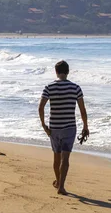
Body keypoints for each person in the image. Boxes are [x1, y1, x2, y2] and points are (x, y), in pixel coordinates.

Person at [38, 60, 89, 195]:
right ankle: (61, 186)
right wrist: (85, 126)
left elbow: (41, 107)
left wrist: (44, 125)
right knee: (65, 158)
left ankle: (58, 181)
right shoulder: (75, 88)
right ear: (68, 72)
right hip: (69, 127)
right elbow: (82, 110)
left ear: (56, 72)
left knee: (56, 156)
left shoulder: (49, 87)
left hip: (54, 127)